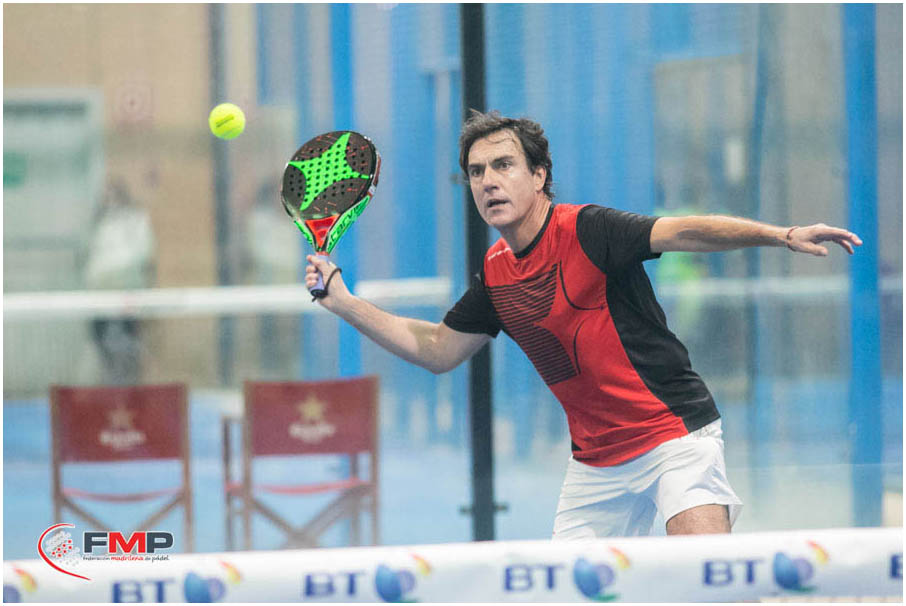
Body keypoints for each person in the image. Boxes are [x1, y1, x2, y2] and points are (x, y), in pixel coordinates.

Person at [304, 110, 862, 538]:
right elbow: (438, 349)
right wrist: (345, 303)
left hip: (674, 436)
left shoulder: (589, 230)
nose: (488, 181)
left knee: (707, 578)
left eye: (503, 165)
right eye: (476, 172)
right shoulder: (495, 274)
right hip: (596, 465)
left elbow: (685, 231)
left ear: (539, 175)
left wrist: (782, 235)